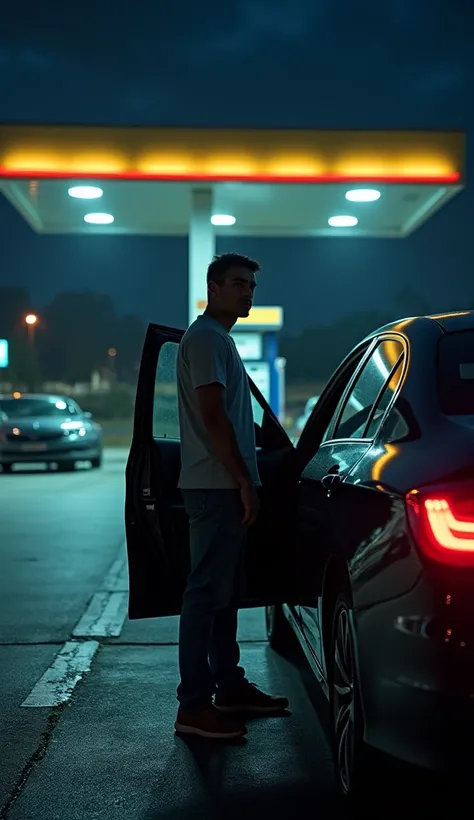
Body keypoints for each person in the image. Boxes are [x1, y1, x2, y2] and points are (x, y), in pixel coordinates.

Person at [174, 252, 289, 739]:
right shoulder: (204, 339)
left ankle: (229, 685)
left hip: (224, 483)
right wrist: (244, 479)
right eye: (239, 284)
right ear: (213, 288)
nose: (248, 293)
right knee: (204, 595)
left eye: (252, 287)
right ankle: (193, 705)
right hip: (216, 485)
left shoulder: (218, 340)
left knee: (225, 596)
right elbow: (213, 416)